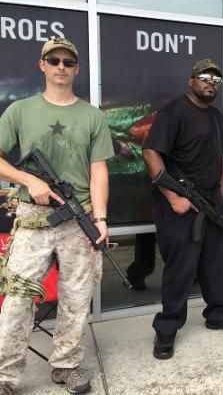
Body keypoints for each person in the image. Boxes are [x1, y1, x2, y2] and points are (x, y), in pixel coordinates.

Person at [0, 38, 115, 395]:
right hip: (35, 217)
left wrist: (100, 220)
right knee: (18, 297)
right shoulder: (20, 111)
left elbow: (99, 172)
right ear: (42, 65)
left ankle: (65, 364)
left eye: (68, 61)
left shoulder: (92, 115)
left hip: (77, 216)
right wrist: (27, 179)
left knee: (77, 297)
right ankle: (4, 374)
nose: (61, 66)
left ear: (76, 68)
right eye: (54, 60)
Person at [142, 59, 223, 361]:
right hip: (179, 202)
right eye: (204, 77)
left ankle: (217, 314)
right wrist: (172, 197)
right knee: (180, 268)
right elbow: (150, 153)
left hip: (210, 199)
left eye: (216, 78)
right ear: (191, 81)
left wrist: (222, 197)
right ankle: (167, 329)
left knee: (216, 262)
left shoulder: (215, 115)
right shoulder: (174, 111)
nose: (210, 82)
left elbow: (220, 159)